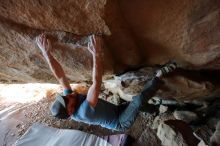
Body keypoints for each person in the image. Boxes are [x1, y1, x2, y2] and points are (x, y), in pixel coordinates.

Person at [36, 34, 177, 132]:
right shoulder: (83, 112)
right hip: (120, 121)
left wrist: (46, 54)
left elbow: (61, 77)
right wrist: (96, 53)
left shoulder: (70, 99)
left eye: (64, 96)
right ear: (70, 111)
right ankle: (159, 78)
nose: (68, 95)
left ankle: (153, 110)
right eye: (66, 99)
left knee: (137, 105)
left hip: (116, 109)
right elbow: (96, 83)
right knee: (138, 100)